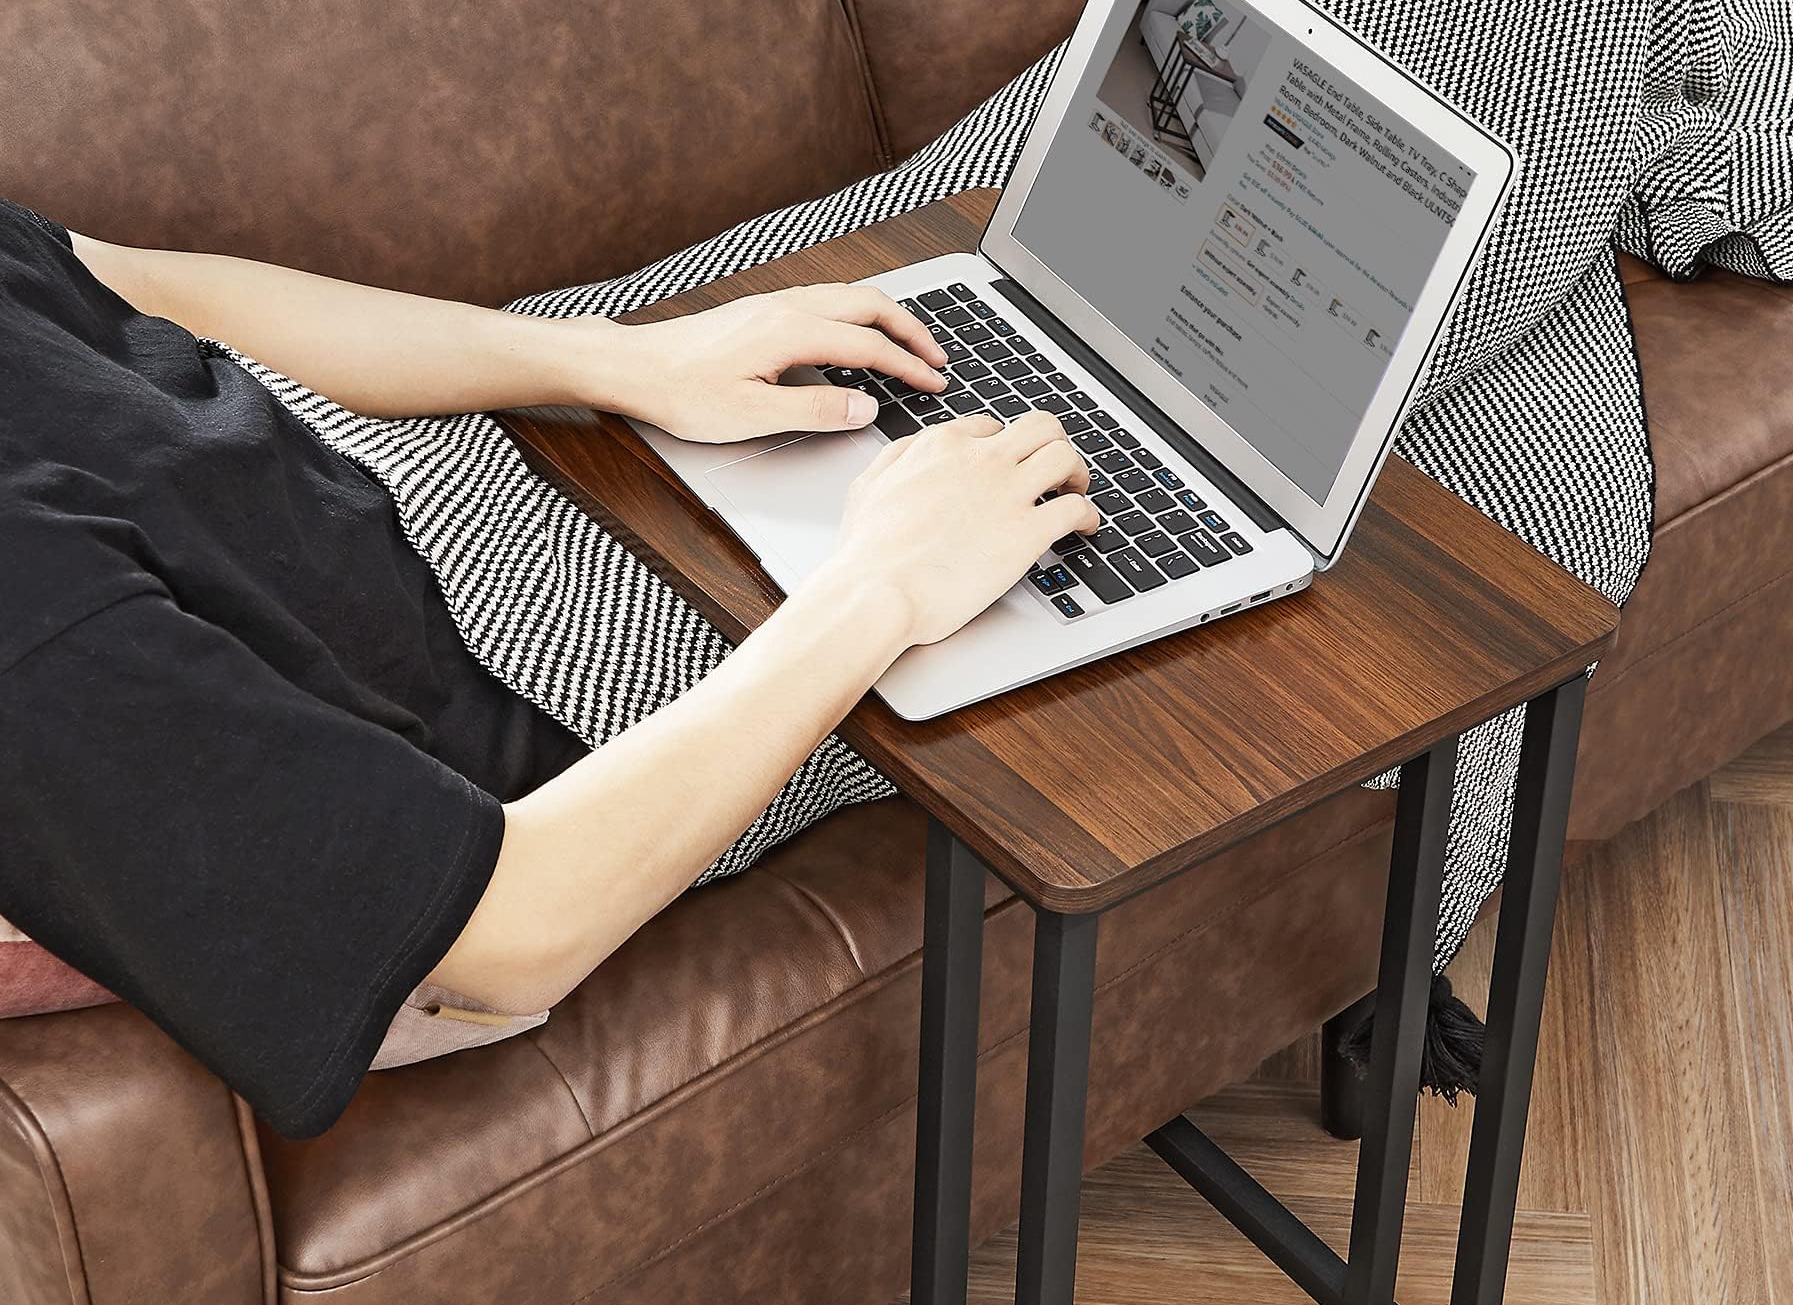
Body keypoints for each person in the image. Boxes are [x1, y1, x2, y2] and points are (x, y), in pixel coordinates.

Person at [0, 198, 1098, 1136]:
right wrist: (884, 586)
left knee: (983, 222)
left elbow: (126, 281)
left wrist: (617, 357)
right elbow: (505, 932)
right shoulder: (37, 631)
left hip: (432, 437)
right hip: (557, 697)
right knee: (1118, 413)